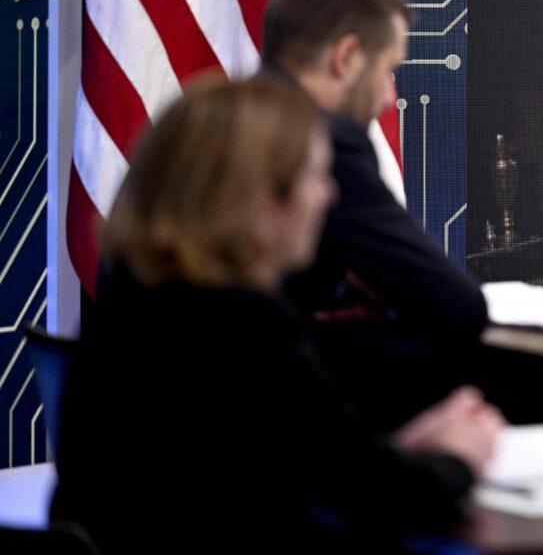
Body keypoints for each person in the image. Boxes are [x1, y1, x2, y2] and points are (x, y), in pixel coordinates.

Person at [52, 79, 505, 553]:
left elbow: (313, 465)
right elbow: (387, 501)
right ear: (266, 206)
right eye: (316, 177)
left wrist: (401, 451)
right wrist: (460, 457)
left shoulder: (137, 299)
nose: (329, 196)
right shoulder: (243, 326)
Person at [259, 0, 487, 427]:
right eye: (389, 71)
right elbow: (457, 304)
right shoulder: (322, 138)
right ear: (345, 58)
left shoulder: (207, 117)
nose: (388, 96)